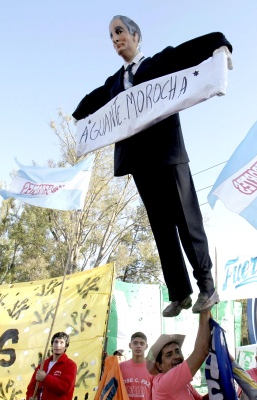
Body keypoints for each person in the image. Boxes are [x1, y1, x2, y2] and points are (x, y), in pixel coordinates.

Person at [72, 15, 233, 318]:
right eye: (110, 36)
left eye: (119, 32)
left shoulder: (157, 64)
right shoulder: (114, 84)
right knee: (161, 227)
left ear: (135, 35)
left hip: (169, 154)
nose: (115, 39)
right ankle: (179, 292)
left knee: (187, 221)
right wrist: (79, 116)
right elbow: (92, 101)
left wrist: (219, 44)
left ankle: (206, 286)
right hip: (140, 163)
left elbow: (186, 52)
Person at [145, 310, 211, 399]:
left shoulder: (181, 382)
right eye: (169, 354)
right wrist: (205, 309)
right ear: (159, 365)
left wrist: (220, 389)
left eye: (177, 351)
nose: (176, 356)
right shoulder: (165, 382)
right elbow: (202, 351)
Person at [26, 332, 77, 400]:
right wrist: (30, 397)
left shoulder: (70, 365)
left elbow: (65, 388)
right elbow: (32, 387)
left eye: (61, 343)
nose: (58, 345)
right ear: (52, 344)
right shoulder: (42, 365)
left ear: (66, 346)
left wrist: (46, 378)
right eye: (55, 342)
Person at [120, 332, 152, 400]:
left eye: (142, 343)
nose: (138, 346)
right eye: (135, 343)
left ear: (146, 346)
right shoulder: (121, 367)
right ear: (130, 345)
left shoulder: (152, 368)